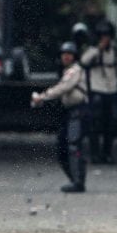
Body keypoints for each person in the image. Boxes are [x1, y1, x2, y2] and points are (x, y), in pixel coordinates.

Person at [32, 41, 90, 192]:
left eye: (69, 54)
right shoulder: (66, 71)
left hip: (78, 111)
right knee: (62, 147)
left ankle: (78, 181)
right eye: (64, 54)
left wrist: (43, 96)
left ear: (74, 56)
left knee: (73, 145)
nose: (66, 57)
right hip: (69, 112)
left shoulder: (74, 70)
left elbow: (64, 87)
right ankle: (74, 179)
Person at [80, 20, 117, 163]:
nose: (105, 38)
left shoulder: (115, 51)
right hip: (97, 89)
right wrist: (98, 49)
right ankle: (95, 153)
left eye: (107, 36)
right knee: (94, 123)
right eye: (102, 36)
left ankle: (107, 153)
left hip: (112, 90)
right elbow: (83, 62)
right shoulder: (92, 50)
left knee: (111, 123)